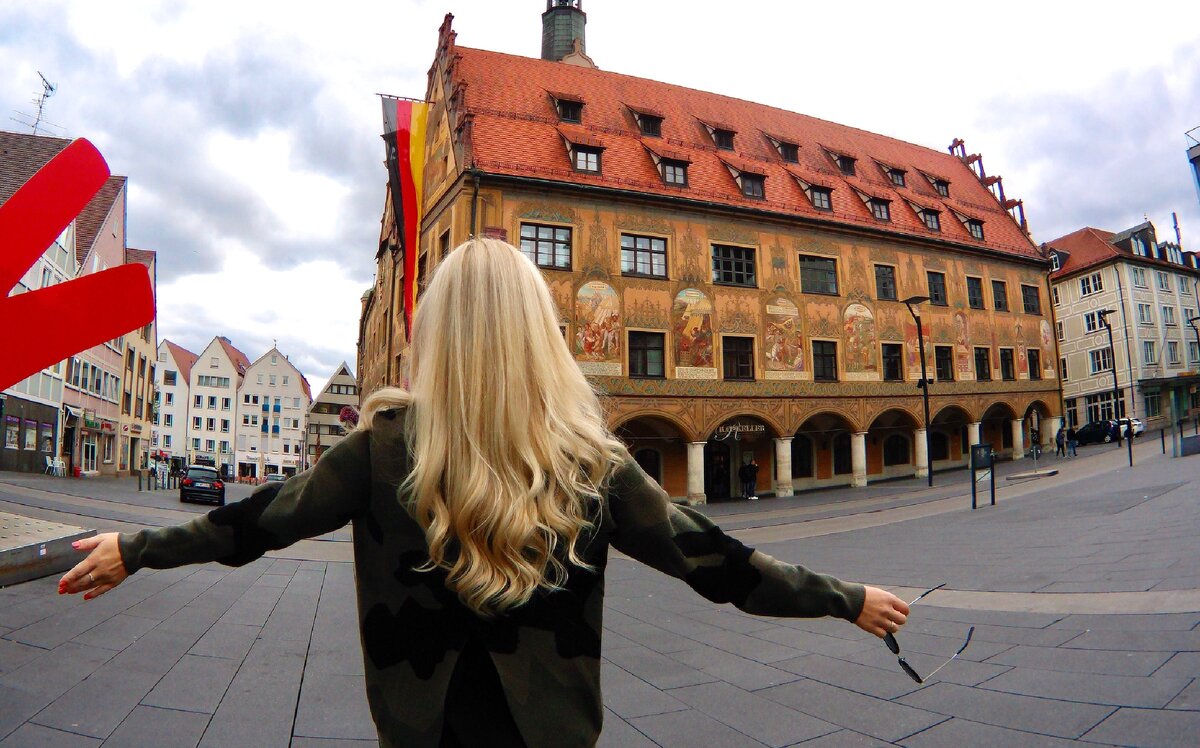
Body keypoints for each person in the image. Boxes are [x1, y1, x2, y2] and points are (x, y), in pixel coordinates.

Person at [59, 239, 910, 748]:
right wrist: (848, 599)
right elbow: (717, 564)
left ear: (438, 331)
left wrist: (137, 548)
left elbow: (255, 525)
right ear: (537, 334)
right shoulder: (590, 464)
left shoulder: (382, 447)